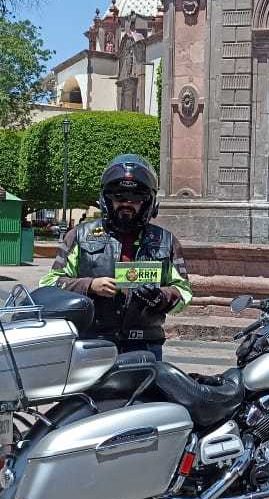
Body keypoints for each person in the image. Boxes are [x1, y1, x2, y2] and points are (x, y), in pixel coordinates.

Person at [40, 154, 192, 360]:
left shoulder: (166, 241)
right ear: (106, 198)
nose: (127, 203)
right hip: (92, 342)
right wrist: (90, 286)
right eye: (119, 196)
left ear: (148, 202)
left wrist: (160, 296)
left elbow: (184, 292)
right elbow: (49, 284)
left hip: (144, 345)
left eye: (136, 197)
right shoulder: (79, 236)